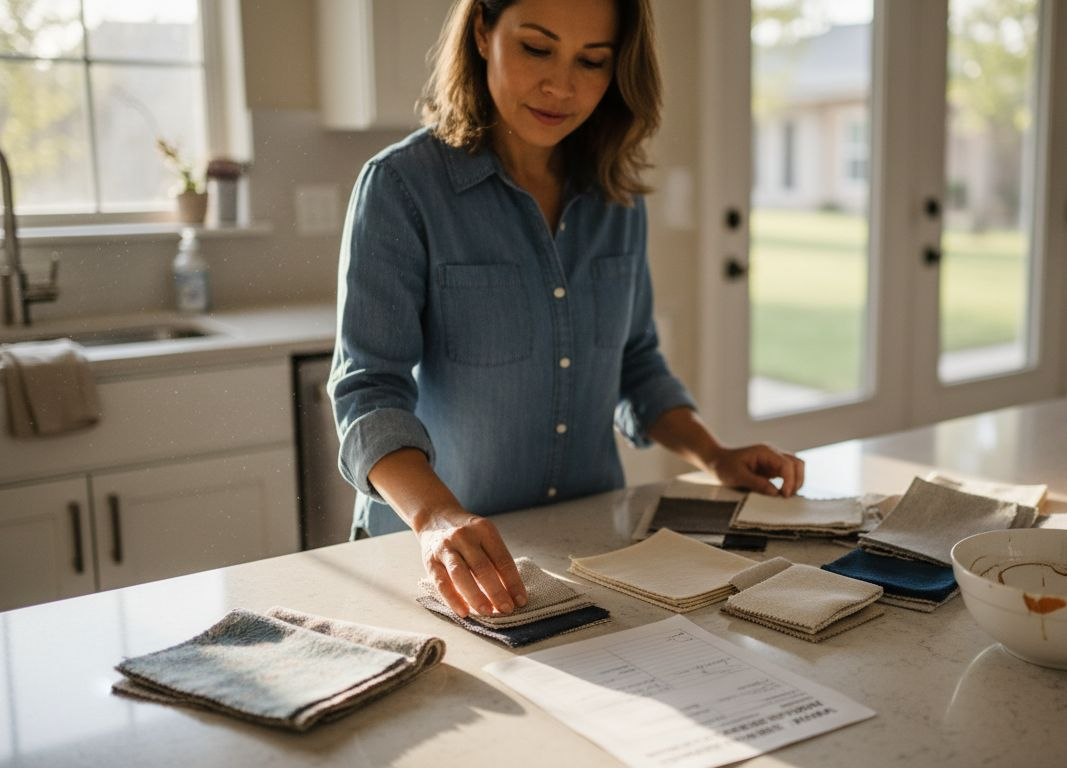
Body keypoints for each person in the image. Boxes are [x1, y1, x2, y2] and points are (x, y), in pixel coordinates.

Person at [329, 0, 804, 620]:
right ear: (482, 32)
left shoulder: (618, 200)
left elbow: (635, 362)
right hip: (442, 566)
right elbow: (369, 392)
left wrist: (715, 456)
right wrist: (437, 516)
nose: (562, 85)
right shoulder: (400, 188)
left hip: (592, 557)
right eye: (535, 48)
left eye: (593, 61)